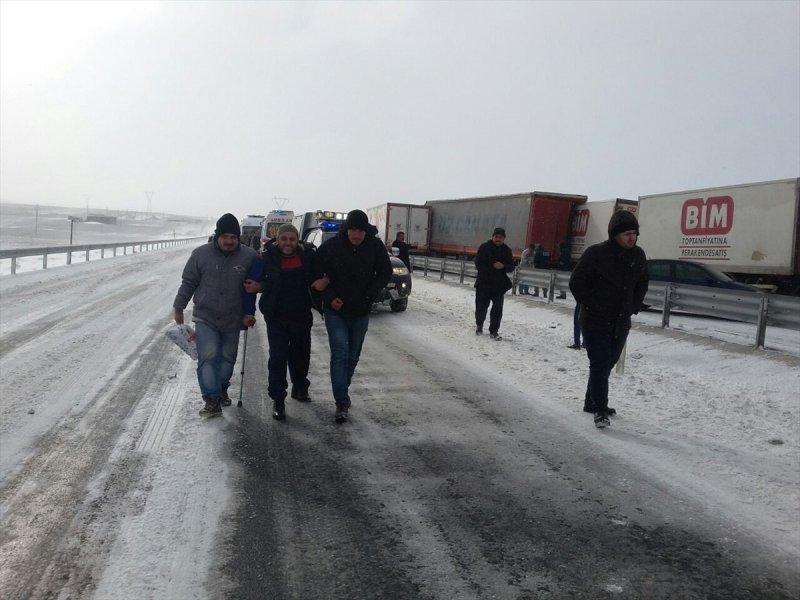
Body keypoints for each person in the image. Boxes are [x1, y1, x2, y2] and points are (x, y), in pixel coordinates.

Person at [173, 213, 258, 418]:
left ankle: (220, 389)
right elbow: (188, 283)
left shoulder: (249, 256)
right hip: (206, 316)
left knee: (228, 358)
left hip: (233, 317)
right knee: (209, 356)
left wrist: (249, 312)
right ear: (217, 235)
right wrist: (179, 307)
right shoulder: (200, 255)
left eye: (233, 237)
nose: (229, 241)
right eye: (225, 236)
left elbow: (255, 284)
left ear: (238, 238)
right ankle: (211, 399)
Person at [569, 210, 648, 428]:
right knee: (600, 363)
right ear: (615, 234)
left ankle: (590, 401)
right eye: (626, 234)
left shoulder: (638, 256)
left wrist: (633, 306)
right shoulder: (596, 254)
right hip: (595, 320)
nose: (631, 238)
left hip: (621, 321)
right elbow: (576, 282)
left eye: (634, 233)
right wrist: (591, 303)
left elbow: (642, 283)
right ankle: (600, 410)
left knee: (607, 363)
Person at [314, 210, 392, 423]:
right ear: (347, 229)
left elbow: (385, 272)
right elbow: (317, 273)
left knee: (353, 355)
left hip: (361, 311)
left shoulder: (374, 247)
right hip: (336, 311)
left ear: (365, 230)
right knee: (340, 352)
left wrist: (370, 295)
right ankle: (341, 400)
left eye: (360, 230)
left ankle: (342, 387)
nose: (356, 234)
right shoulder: (332, 247)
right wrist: (329, 297)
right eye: (353, 230)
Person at [243, 224, 326, 421]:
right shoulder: (267, 257)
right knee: (278, 358)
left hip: (301, 315)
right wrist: (257, 287)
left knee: (301, 356)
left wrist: (324, 281)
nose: (288, 243)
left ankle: (299, 387)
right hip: (276, 316)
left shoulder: (307, 257)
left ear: (297, 240)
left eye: (292, 239)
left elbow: (319, 275)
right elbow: (262, 281)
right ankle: (278, 399)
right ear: (278, 240)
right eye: (284, 239)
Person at [474, 227, 514, 340]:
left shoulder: (507, 250)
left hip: (498, 286)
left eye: (500, 237)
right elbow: (478, 263)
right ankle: (479, 325)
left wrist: (503, 266)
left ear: (504, 239)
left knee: (497, 309)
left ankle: (494, 331)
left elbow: (511, 267)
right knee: (481, 307)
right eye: (496, 237)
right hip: (483, 283)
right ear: (493, 237)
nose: (498, 239)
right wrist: (489, 270)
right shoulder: (484, 247)